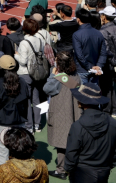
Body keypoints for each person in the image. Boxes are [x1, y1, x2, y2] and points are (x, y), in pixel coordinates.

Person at [65, 83, 116, 182]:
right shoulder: (113, 123)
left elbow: (71, 152)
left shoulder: (77, 126)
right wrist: (110, 165)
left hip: (81, 173)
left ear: (81, 101)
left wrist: (68, 169)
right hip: (104, 172)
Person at [43, 52, 82, 180]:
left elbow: (47, 88)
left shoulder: (59, 77)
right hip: (74, 112)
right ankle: (72, 167)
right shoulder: (76, 76)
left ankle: (61, 170)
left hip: (60, 113)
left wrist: (53, 75)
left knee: (61, 144)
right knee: (73, 143)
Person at [0, 55, 29, 167]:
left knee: (2, 159)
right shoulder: (22, 82)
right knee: (19, 157)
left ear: (0, 68)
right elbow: (25, 103)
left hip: (2, 126)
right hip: (19, 124)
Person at [14, 18, 47, 133]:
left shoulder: (24, 43)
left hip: (25, 73)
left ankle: (29, 126)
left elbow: (23, 61)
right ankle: (37, 124)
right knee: (36, 98)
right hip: (37, 73)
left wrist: (16, 55)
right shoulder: (39, 40)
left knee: (26, 100)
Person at [72, 8, 108, 84]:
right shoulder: (99, 33)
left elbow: (79, 55)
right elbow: (103, 53)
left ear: (78, 20)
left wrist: (89, 67)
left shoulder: (76, 34)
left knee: (82, 93)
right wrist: (98, 66)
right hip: (96, 68)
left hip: (82, 69)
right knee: (94, 93)